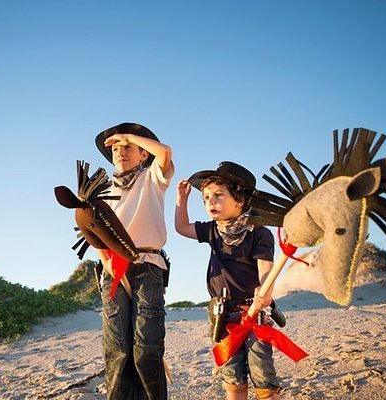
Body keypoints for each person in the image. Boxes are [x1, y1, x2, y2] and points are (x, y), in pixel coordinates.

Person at [175, 161, 281, 400]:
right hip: (222, 314)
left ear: (240, 200)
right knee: (232, 373)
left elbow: (266, 267)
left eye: (218, 195)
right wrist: (181, 199)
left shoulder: (259, 232)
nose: (210, 201)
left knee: (262, 369)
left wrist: (265, 292)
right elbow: (181, 227)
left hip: (253, 310)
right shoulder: (212, 230)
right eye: (205, 198)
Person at [95, 122, 174, 400]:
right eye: (116, 148)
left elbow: (164, 153)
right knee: (118, 350)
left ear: (143, 154)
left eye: (127, 147)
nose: (120, 151)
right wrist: (104, 258)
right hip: (113, 270)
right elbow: (96, 230)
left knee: (147, 349)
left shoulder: (153, 177)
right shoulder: (102, 189)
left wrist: (130, 135)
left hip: (149, 267)